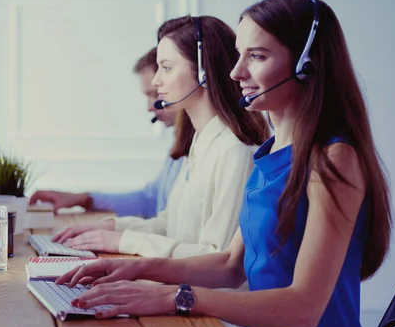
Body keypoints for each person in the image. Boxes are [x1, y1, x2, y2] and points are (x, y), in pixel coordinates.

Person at [56, 0, 392, 327]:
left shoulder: (334, 160)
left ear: (306, 64)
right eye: (238, 56)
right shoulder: (272, 150)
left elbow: (304, 310)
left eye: (256, 56)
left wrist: (176, 296)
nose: (235, 72)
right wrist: (136, 269)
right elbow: (231, 264)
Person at [53, 15, 269, 259]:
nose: (156, 81)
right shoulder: (201, 141)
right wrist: (113, 228)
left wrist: (125, 241)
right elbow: (170, 226)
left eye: (166, 68)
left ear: (204, 72)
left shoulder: (235, 150)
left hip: (205, 295)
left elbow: (217, 256)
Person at [28, 48, 182, 218]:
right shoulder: (179, 145)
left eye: (155, 95)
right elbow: (149, 201)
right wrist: (82, 199)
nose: (149, 107)